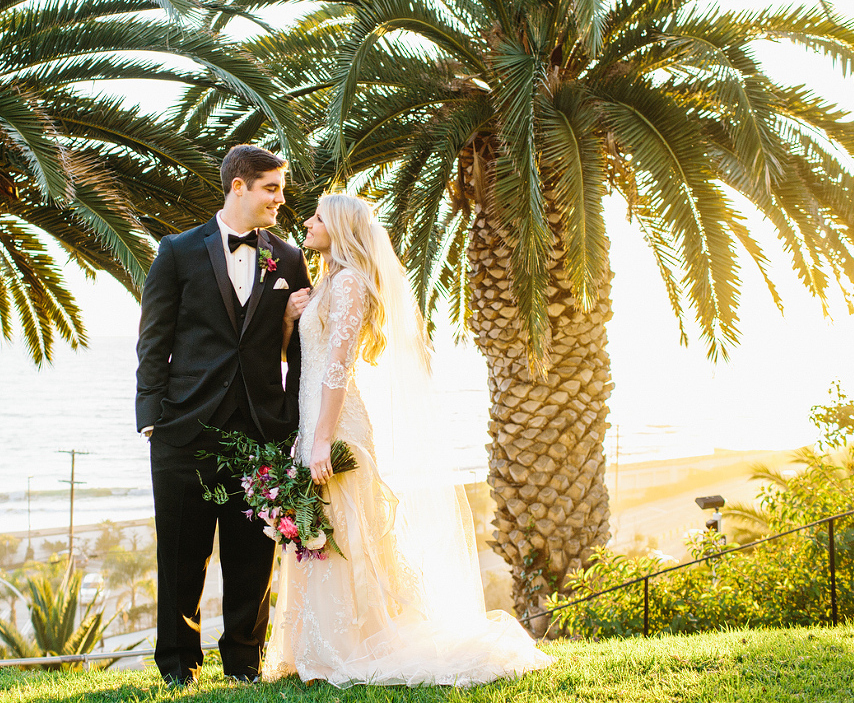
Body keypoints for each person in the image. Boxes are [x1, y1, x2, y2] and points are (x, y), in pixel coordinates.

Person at [266, 193, 553, 687]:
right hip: (311, 418)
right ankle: (316, 643)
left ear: (339, 228)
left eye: (317, 217)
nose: (308, 223)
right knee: (321, 524)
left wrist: (322, 440)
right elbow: (308, 360)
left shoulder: (352, 282)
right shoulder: (329, 280)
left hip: (334, 421)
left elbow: (337, 369)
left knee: (344, 525)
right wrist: (292, 320)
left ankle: (351, 642)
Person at [135, 144, 311, 686]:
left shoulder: (289, 258)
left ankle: (242, 666)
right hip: (183, 431)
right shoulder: (178, 251)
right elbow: (154, 339)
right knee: (182, 557)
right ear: (239, 186)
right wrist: (150, 416)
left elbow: (302, 350)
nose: (280, 199)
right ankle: (177, 668)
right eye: (271, 188)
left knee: (251, 559)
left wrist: (294, 420)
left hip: (261, 429)